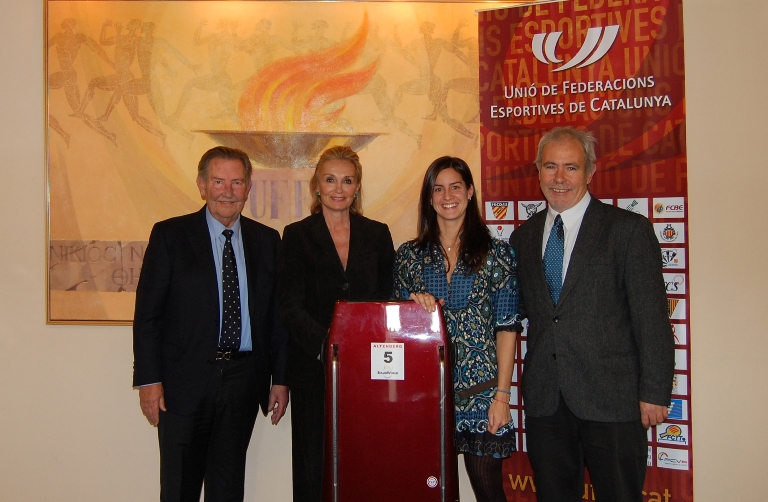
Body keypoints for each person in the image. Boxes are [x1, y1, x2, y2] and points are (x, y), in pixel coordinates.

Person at [510, 126, 675, 502]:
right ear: (537, 171)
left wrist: (654, 392)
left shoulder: (628, 231)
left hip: (613, 400)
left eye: (571, 167)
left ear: (590, 172)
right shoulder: (523, 236)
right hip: (547, 401)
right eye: (550, 166)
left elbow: (651, 319)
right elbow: (519, 314)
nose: (559, 178)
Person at [133, 146, 289, 502]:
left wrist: (280, 379)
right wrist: (148, 380)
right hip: (182, 383)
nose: (228, 191)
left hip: (243, 382)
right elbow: (148, 316)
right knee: (179, 488)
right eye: (218, 181)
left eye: (237, 182)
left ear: (248, 187)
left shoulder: (267, 241)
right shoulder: (170, 237)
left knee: (228, 488)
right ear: (202, 185)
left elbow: (277, 319)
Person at [393, 156, 522, 502]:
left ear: (470, 192)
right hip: (425, 396)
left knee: (488, 491)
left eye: (455, 186)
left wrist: (502, 397)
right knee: (429, 490)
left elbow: (507, 328)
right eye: (438, 188)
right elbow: (393, 331)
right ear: (429, 196)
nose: (447, 196)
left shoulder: (498, 254)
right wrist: (410, 306)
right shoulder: (408, 256)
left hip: (482, 395)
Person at [277, 145, 395, 502]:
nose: (338, 189)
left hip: (366, 370)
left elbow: (388, 300)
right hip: (313, 369)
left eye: (347, 181)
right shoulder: (296, 235)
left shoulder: (377, 234)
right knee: (314, 465)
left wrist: (359, 350)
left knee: (364, 461)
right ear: (317, 185)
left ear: (357, 187)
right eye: (330, 180)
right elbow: (289, 303)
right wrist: (328, 344)